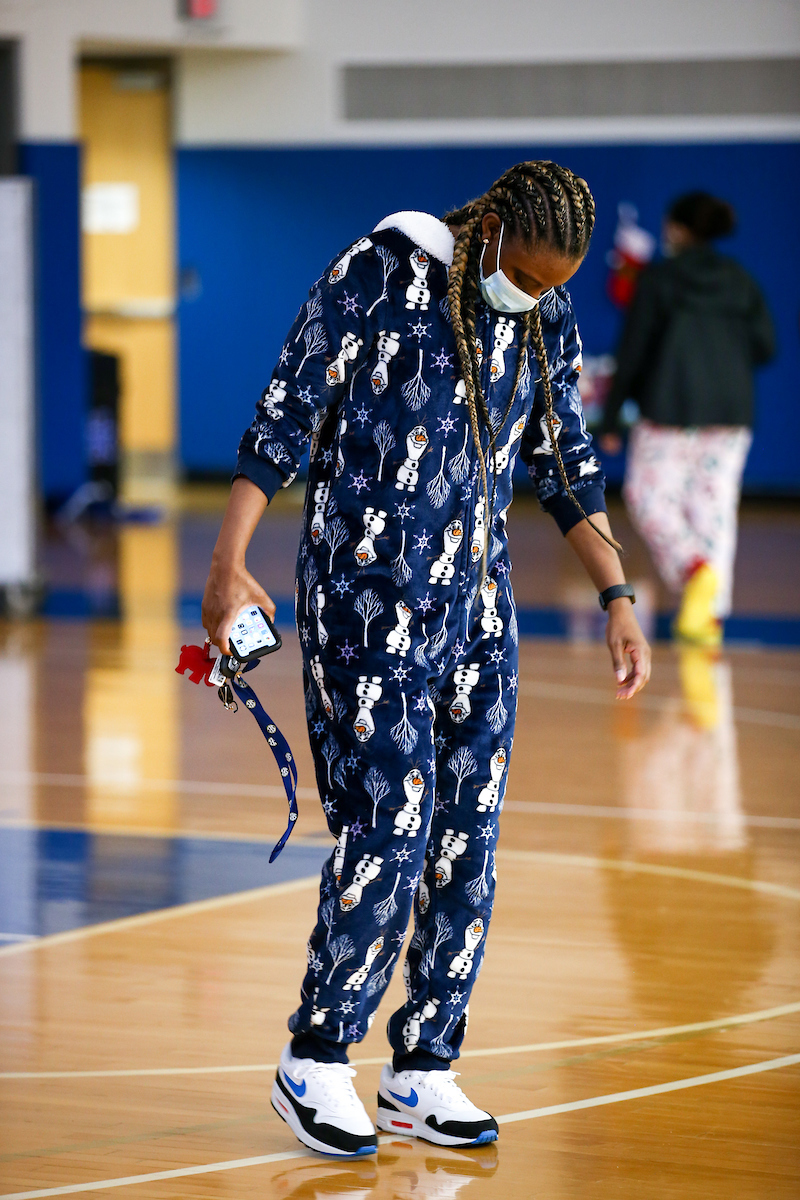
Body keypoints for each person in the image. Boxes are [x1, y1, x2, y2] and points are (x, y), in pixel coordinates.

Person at [202, 161, 651, 1158]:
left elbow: (565, 463)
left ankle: (422, 1069)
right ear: (487, 228)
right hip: (366, 601)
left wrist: (615, 595)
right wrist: (227, 564)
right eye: (523, 274)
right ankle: (315, 1057)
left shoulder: (543, 315)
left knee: (466, 840)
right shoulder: (377, 270)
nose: (531, 296)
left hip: (477, 611)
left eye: (551, 284)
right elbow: (282, 417)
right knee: (390, 823)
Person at [600, 191, 776, 645]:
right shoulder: (740, 280)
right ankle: (709, 617)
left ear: (677, 229)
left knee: (647, 497)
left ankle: (695, 571)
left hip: (668, 409)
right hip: (731, 414)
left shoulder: (659, 279)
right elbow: (766, 346)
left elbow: (632, 352)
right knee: (714, 510)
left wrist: (612, 418)